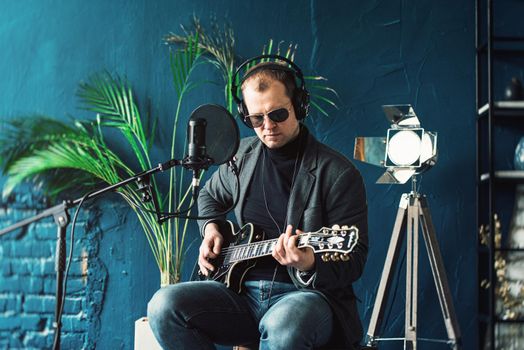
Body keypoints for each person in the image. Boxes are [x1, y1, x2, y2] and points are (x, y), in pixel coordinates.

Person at [147, 56, 368, 350]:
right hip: (238, 295)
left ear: (300, 106)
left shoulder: (338, 173)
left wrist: (308, 262)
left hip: (304, 297)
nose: (267, 126)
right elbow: (209, 195)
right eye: (255, 119)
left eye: (278, 114)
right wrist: (211, 229)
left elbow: (354, 260)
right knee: (164, 305)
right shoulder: (241, 156)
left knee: (284, 326)